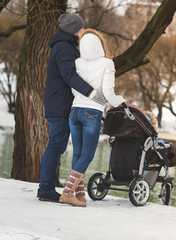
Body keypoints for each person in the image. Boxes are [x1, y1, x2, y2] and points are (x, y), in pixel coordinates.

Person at [37, 14, 107, 202]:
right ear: (75, 30)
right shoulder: (64, 48)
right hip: (60, 104)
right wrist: (93, 93)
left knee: (56, 146)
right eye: (81, 28)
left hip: (59, 102)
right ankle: (45, 189)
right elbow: (70, 76)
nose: (84, 31)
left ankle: (50, 184)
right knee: (56, 146)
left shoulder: (65, 46)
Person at [59, 28, 125, 207]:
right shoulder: (107, 64)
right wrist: (118, 103)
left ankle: (79, 196)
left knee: (78, 154)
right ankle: (67, 192)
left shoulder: (78, 62)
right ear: (100, 45)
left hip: (75, 111)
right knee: (87, 155)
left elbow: (75, 87)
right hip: (92, 112)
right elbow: (109, 91)